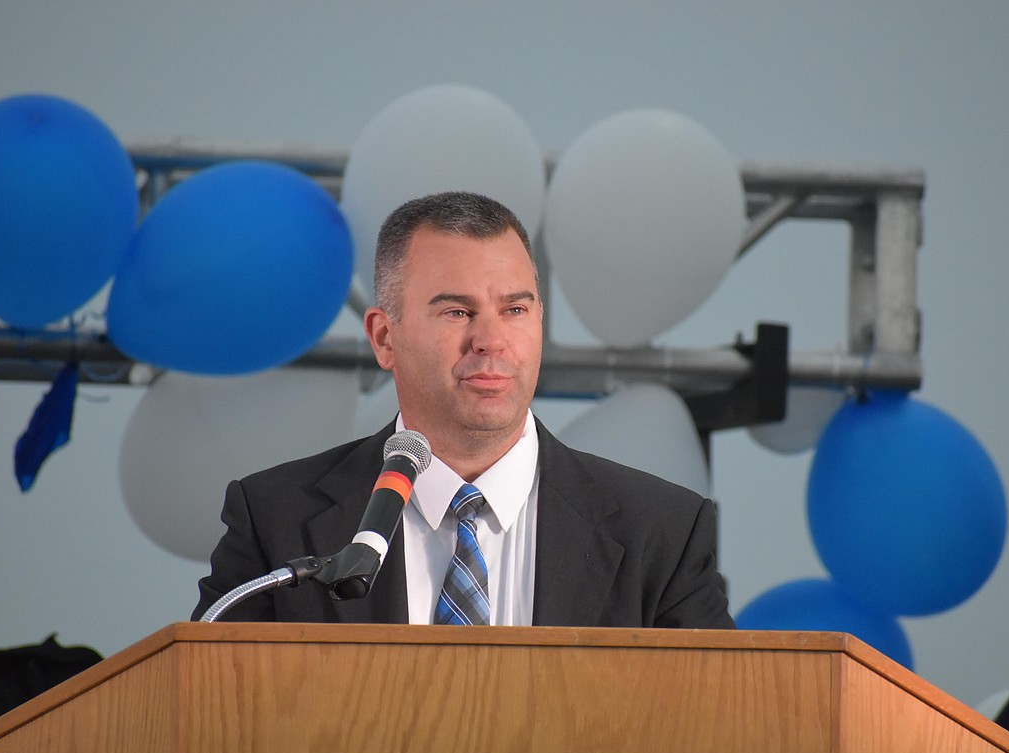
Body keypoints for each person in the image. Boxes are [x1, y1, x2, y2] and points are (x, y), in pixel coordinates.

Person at [192, 191, 734, 629]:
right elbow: (210, 717)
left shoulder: (661, 532)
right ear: (384, 337)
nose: (491, 341)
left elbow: (714, 732)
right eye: (457, 311)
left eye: (515, 309)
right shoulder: (275, 522)